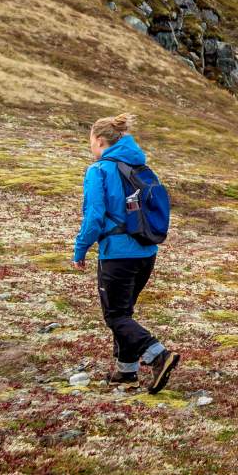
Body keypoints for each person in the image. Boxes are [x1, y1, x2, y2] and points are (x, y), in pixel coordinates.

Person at [72, 112, 180, 393]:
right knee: (124, 313)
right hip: (146, 252)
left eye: (90, 142)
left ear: (98, 141)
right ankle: (126, 371)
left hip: (118, 254)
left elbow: (94, 217)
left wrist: (80, 249)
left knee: (116, 316)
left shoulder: (99, 170)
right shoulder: (140, 167)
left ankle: (158, 355)